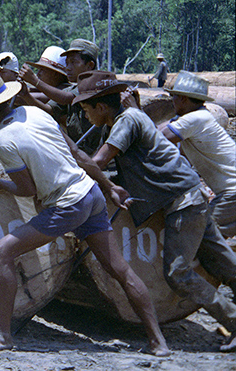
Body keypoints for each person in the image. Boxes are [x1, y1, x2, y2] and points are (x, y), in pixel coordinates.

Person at [0, 71, 169, 356]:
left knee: (1, 253)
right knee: (120, 270)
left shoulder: (1, 138)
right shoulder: (35, 113)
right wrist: (107, 186)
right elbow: (77, 154)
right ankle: (158, 341)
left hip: (68, 205)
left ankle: (2, 334)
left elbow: (27, 188)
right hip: (91, 194)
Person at [74, 70, 236, 353]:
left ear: (101, 106)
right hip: (187, 196)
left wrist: (68, 157)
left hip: (182, 201)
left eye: (86, 109)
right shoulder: (120, 122)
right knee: (224, 263)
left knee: (178, 273)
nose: (85, 115)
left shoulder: (127, 120)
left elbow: (98, 161)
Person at [159, 70, 235, 239]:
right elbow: (182, 158)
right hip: (231, 191)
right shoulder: (199, 119)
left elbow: (158, 138)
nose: (172, 102)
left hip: (232, 192)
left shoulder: (194, 119)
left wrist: (135, 111)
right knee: (214, 241)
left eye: (174, 97)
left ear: (183, 99)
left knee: (202, 237)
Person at [19, 39, 101, 155]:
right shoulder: (72, 89)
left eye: (73, 62)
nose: (68, 68)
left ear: (90, 65)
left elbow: (66, 98)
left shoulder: (94, 83)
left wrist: (35, 81)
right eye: (67, 63)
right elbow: (49, 110)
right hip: (82, 150)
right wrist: (26, 96)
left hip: (96, 152)